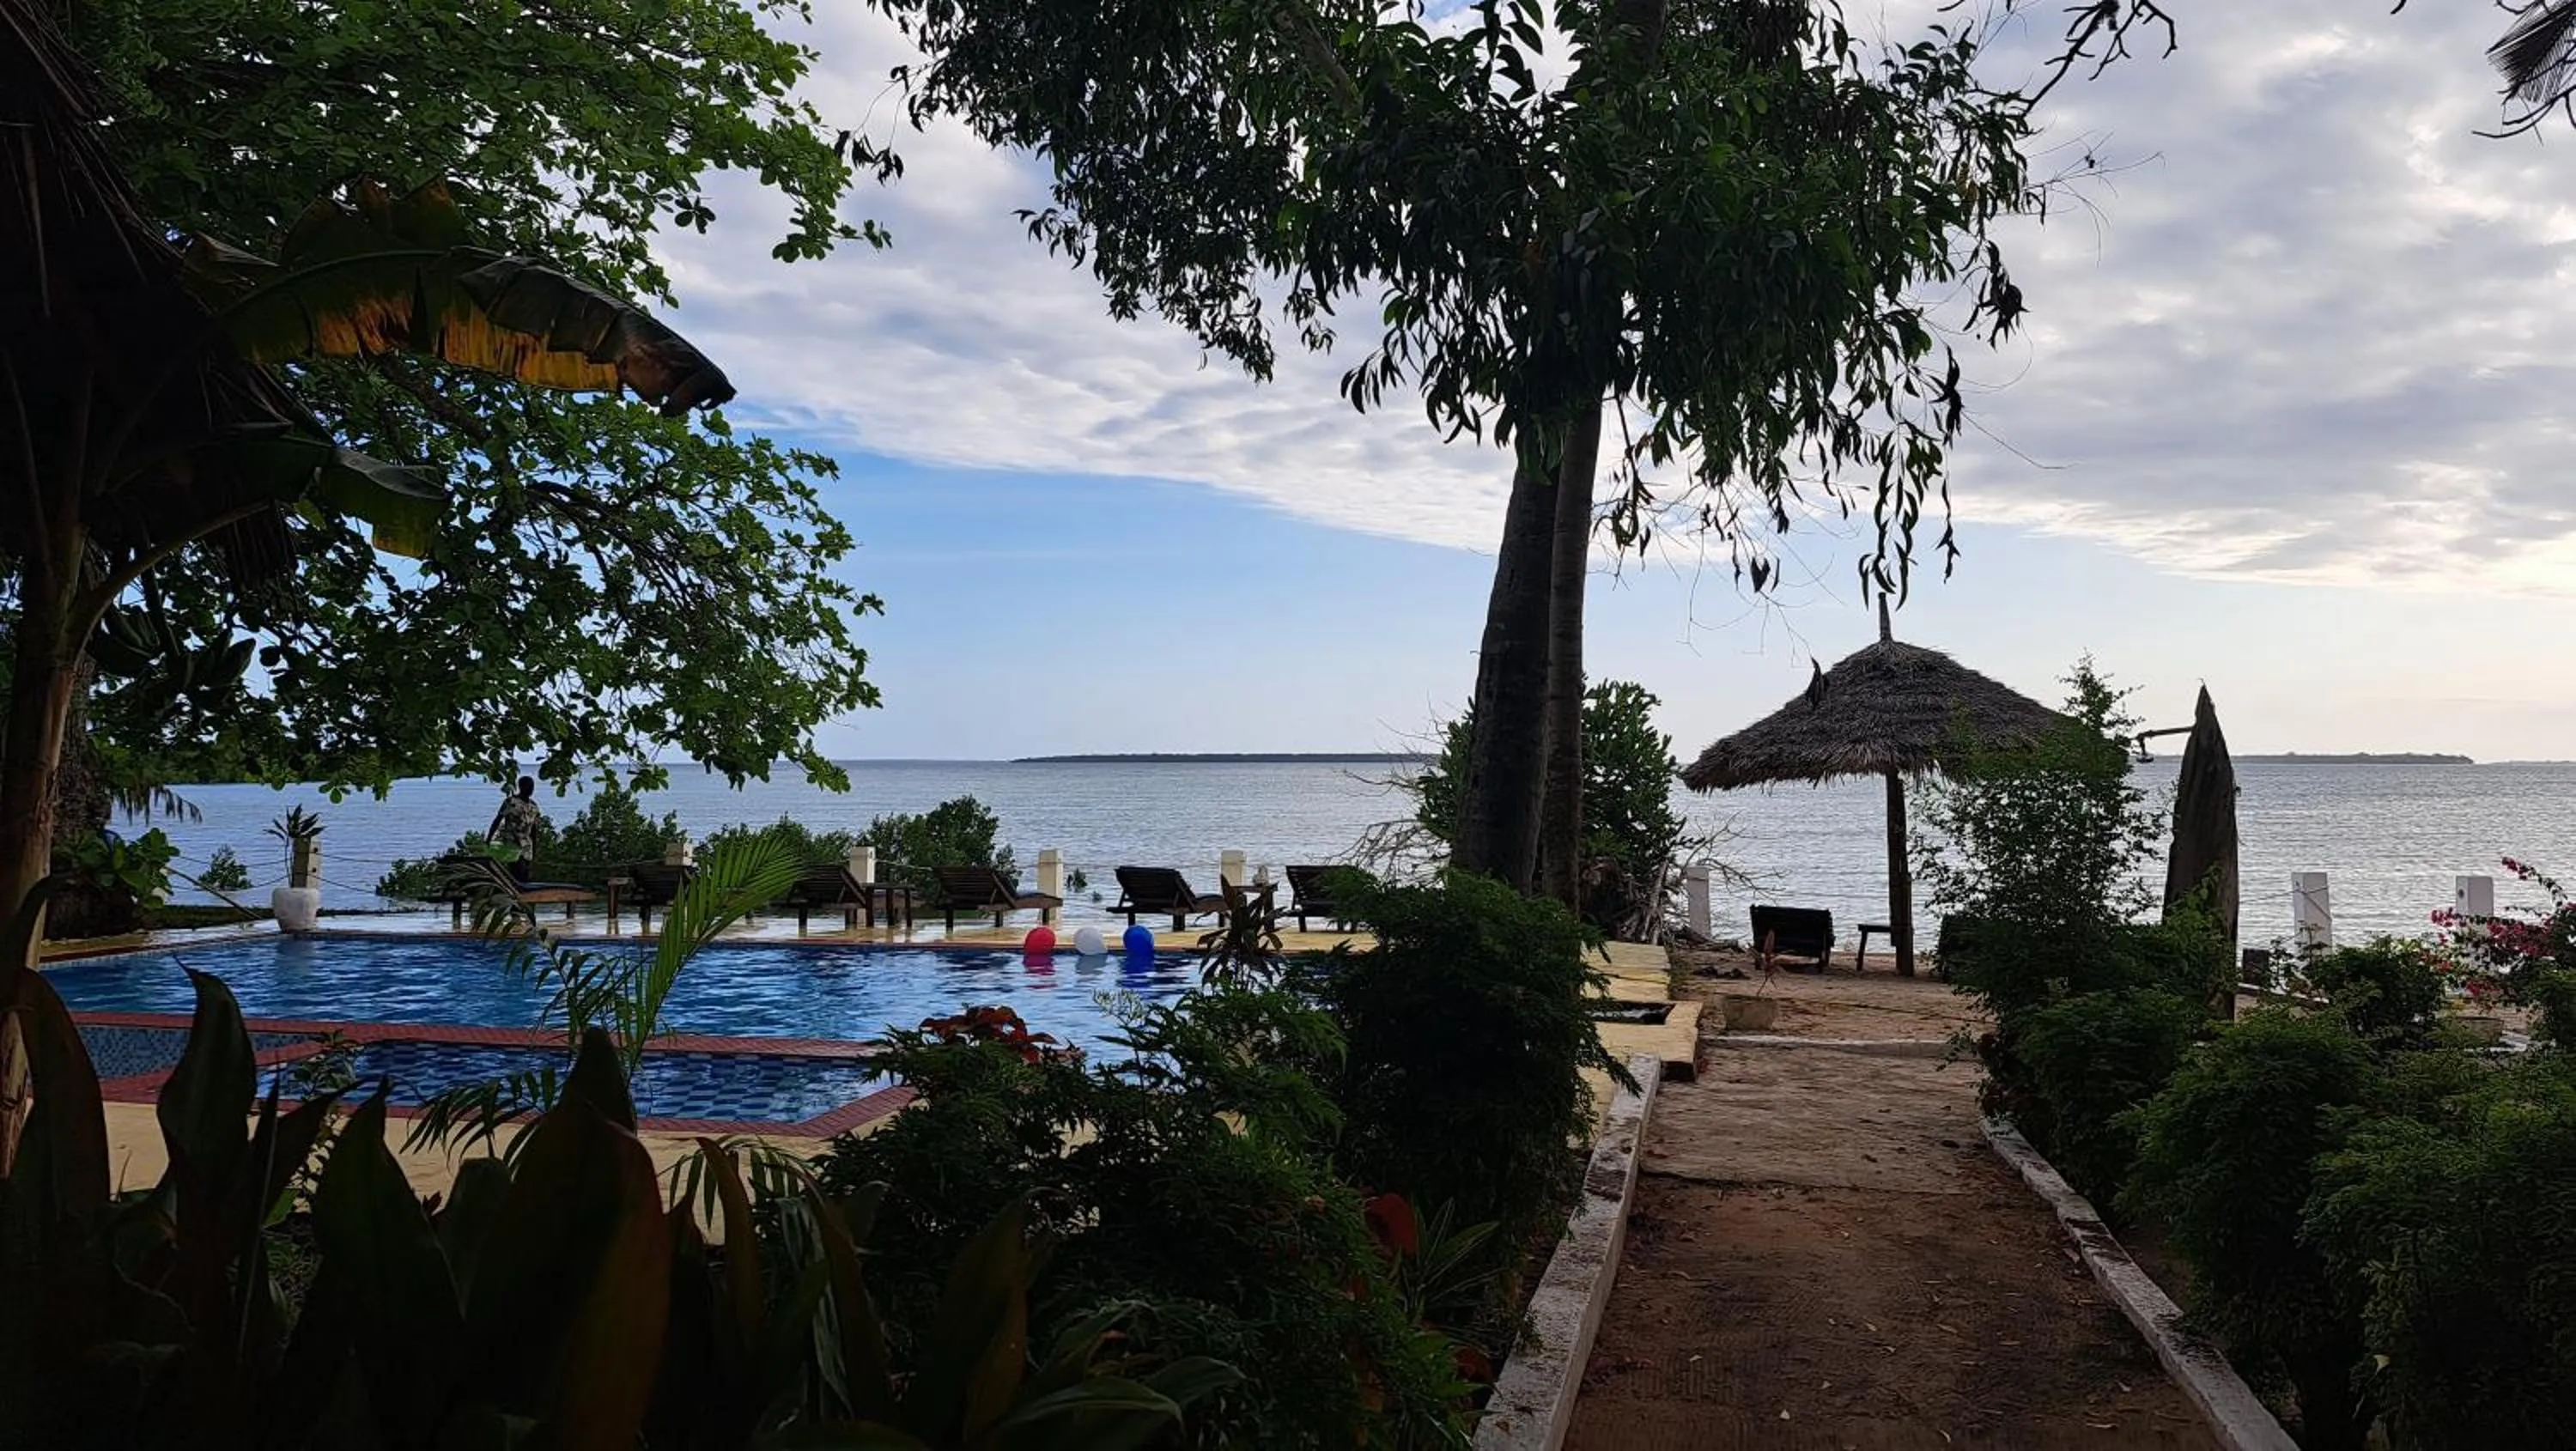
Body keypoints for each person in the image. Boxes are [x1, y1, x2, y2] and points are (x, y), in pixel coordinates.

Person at [488, 776, 546, 885]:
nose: (531, 789)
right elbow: (498, 820)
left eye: (532, 787)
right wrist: (489, 839)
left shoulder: (534, 806)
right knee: (516, 874)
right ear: (521, 787)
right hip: (512, 843)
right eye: (528, 787)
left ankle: (522, 899)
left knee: (525, 876)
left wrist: (535, 848)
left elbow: (533, 829)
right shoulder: (511, 802)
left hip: (527, 846)